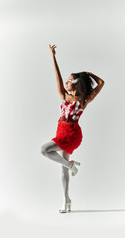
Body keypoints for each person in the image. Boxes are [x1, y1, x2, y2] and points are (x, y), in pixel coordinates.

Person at [40, 44, 105, 213]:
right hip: (60, 130)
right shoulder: (64, 95)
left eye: (70, 80)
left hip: (72, 133)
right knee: (62, 167)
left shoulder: (83, 99)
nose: (66, 82)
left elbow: (101, 83)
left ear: (76, 83)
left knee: (44, 150)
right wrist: (53, 56)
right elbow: (58, 77)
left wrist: (88, 74)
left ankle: (70, 166)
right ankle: (66, 201)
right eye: (67, 80)